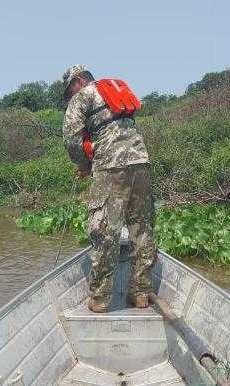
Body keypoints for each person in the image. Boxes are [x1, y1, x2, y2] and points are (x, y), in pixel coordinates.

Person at [61, 64, 157, 313]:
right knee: (142, 228)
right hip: (141, 162)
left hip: (111, 166)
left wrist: (84, 164)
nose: (69, 95)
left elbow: (71, 139)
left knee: (105, 229)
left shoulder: (82, 96)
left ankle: (100, 298)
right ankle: (141, 294)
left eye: (69, 88)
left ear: (79, 81)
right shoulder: (111, 91)